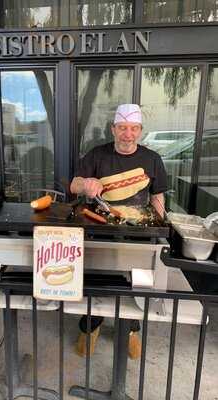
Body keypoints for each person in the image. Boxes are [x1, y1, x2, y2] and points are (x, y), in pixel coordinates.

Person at [70, 104, 168, 358]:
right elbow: (74, 185)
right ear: (113, 129)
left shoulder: (152, 159)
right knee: (97, 281)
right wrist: (86, 184)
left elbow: (157, 196)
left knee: (135, 283)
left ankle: (130, 330)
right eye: (122, 128)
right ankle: (90, 326)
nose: (128, 134)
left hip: (138, 230)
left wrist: (160, 226)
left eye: (133, 128)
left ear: (140, 131)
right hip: (99, 227)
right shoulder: (97, 155)